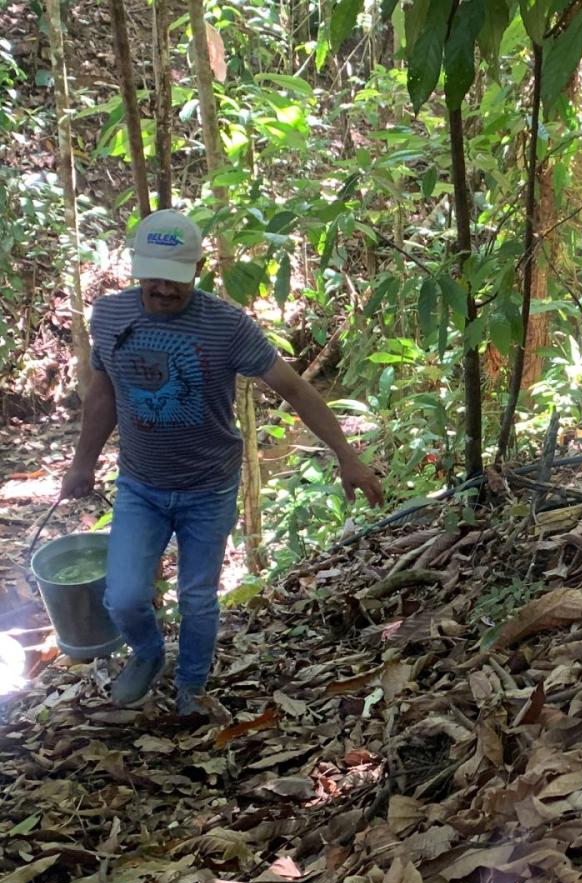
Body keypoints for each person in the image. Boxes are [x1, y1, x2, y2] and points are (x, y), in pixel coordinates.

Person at [59, 209, 383, 717]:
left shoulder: (225, 324)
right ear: (137, 268)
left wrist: (348, 456)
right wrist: (82, 463)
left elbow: (294, 387)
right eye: (155, 278)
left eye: (177, 280)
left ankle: (191, 687)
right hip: (141, 485)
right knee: (122, 596)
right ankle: (146, 655)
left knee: (197, 599)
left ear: (198, 269)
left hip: (207, 487)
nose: (164, 290)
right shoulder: (110, 316)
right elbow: (103, 392)